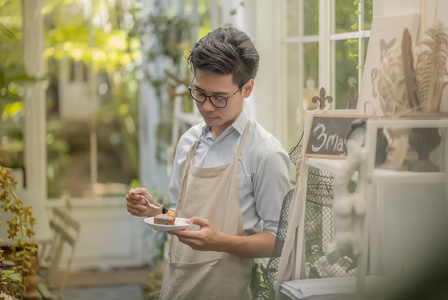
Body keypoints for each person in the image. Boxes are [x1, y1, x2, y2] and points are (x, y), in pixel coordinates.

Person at [125, 26, 291, 299]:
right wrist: (154, 210)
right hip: (178, 287)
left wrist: (221, 242)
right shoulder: (189, 141)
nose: (206, 106)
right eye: (199, 93)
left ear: (247, 88)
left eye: (219, 98)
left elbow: (280, 241)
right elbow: (182, 215)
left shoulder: (265, 153)